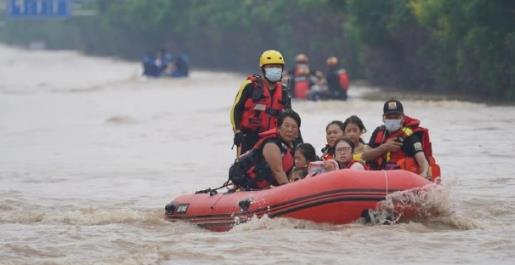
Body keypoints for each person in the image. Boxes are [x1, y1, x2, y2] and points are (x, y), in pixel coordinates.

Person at [230, 50, 291, 157]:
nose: (275, 70)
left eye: (278, 67)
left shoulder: (283, 92)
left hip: (273, 139)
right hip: (249, 137)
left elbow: (290, 118)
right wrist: (237, 131)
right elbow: (236, 109)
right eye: (271, 67)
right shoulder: (250, 86)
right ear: (263, 69)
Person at [361, 99, 440, 180]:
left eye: (396, 117)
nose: (392, 120)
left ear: (402, 118)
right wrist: (383, 148)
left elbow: (423, 161)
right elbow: (364, 156)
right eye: (389, 117)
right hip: (378, 177)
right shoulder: (379, 132)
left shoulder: (410, 136)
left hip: (401, 180)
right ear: (383, 118)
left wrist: (424, 173)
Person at [228, 110, 301, 190]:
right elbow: (278, 173)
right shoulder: (272, 145)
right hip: (245, 181)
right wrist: (290, 191)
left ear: (297, 132)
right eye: (286, 126)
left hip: (264, 187)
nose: (290, 130)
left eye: (294, 127)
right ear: (279, 128)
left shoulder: (293, 147)